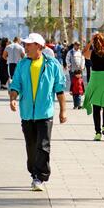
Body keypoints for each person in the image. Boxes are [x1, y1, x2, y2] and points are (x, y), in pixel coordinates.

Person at [9, 33, 67, 191]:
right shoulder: (22, 65)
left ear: (39, 47)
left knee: (43, 145)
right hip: (27, 113)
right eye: (25, 44)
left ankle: (40, 176)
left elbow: (60, 90)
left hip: (45, 113)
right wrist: (13, 98)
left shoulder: (52, 64)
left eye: (29, 44)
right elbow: (15, 85)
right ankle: (34, 172)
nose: (25, 47)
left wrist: (63, 111)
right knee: (31, 146)